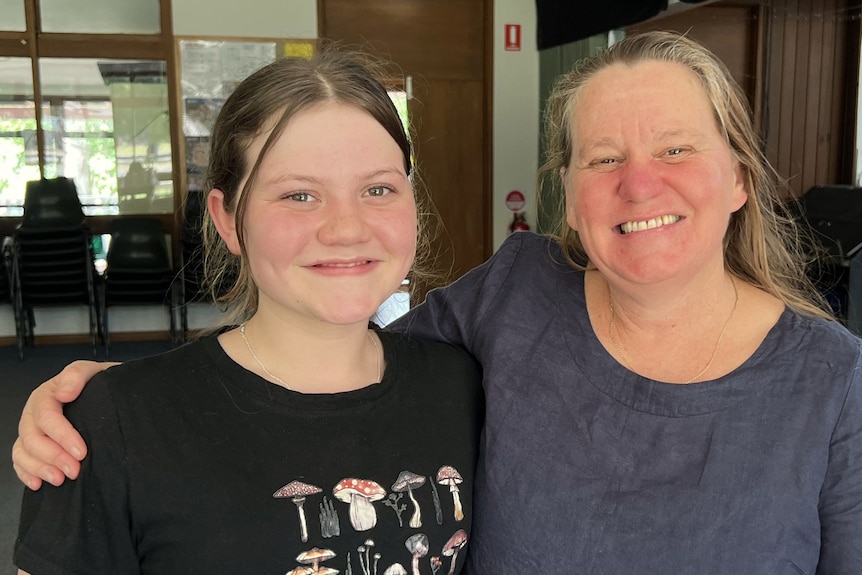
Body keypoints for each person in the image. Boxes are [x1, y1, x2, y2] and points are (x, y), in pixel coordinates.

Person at [13, 31, 862, 573]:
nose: (640, 183)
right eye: (604, 158)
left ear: (742, 176)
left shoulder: (833, 384)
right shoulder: (515, 301)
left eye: (677, 147)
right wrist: (103, 401)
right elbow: (327, 354)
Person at [13, 48, 482, 575]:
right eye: (299, 196)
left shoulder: (464, 387)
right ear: (229, 219)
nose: (348, 228)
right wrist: (110, 407)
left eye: (378, 189)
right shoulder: (111, 424)